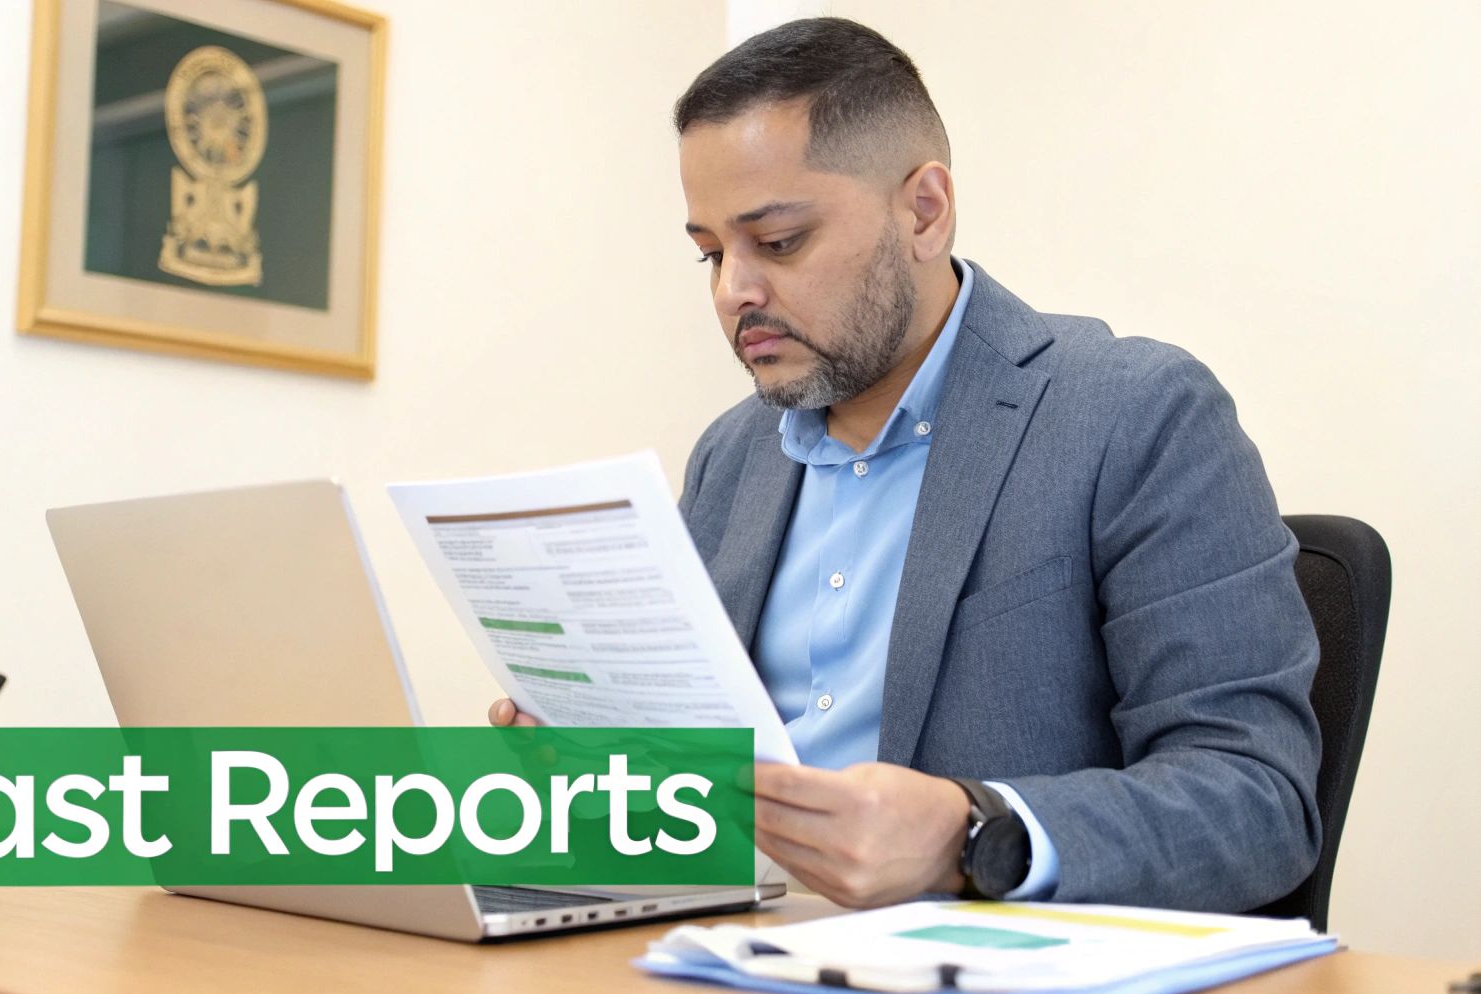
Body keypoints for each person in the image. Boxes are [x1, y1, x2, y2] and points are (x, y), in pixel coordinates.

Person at [493, 17, 1321, 912]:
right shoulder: (732, 457)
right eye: (709, 252)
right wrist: (599, 772)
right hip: (735, 952)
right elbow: (705, 795)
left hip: (982, 980)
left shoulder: (1135, 414)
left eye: (777, 242)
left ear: (923, 210)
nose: (734, 290)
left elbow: (1258, 802)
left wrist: (973, 835)